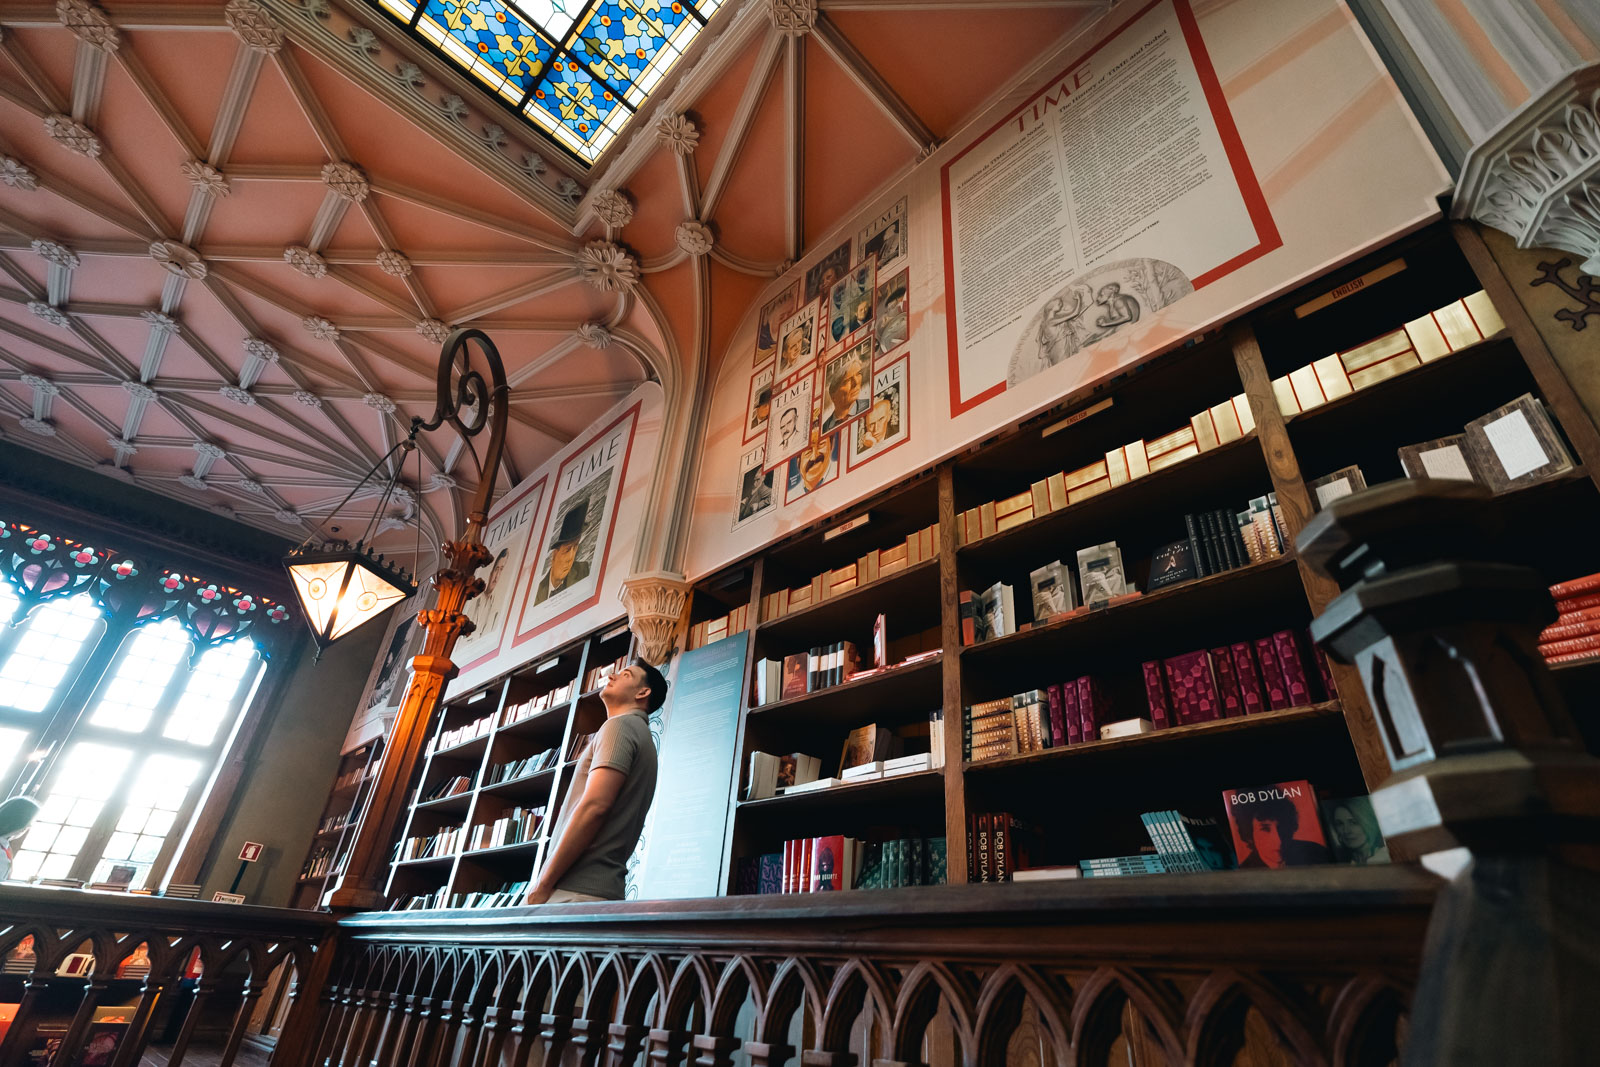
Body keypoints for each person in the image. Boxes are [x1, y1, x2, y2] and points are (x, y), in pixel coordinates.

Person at [524, 661, 667, 903]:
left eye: (626, 675)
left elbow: (595, 807)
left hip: (575, 891)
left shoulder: (619, 726)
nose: (612, 675)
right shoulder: (641, 735)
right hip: (596, 891)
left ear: (643, 693)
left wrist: (543, 883)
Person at [1229, 794, 1330, 868]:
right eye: (1265, 829)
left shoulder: (1316, 853)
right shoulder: (1246, 871)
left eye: (1281, 827)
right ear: (1250, 834)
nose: (1278, 840)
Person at [533, 502, 591, 604]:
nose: (571, 557)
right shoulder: (537, 594)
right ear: (554, 554)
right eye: (567, 550)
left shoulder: (583, 570)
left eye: (575, 547)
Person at [1325, 798, 1389, 865]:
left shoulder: (1386, 857)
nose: (1346, 831)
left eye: (1353, 822)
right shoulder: (1343, 862)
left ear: (1369, 823)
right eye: (1340, 824)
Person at [820, 354, 867, 433]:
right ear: (833, 395)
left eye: (858, 374)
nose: (856, 382)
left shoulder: (868, 406)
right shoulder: (824, 429)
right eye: (847, 381)